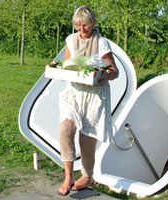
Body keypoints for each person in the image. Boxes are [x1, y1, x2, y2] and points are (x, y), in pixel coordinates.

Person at [51, 6, 119, 196]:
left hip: (94, 95)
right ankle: (68, 177)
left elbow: (114, 71)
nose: (82, 30)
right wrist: (57, 68)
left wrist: (104, 75)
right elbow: (66, 65)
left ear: (92, 24)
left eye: (86, 25)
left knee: (87, 138)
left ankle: (87, 176)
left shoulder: (101, 43)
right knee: (65, 129)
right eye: (79, 26)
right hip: (74, 92)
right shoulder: (71, 41)